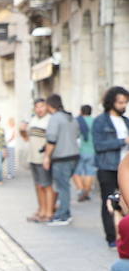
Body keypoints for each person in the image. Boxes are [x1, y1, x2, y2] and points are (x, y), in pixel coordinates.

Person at [93, 87, 129, 247]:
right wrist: (123, 141)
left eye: (125, 102)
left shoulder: (126, 121)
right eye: (120, 102)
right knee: (109, 203)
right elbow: (99, 145)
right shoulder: (100, 121)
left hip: (126, 169)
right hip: (108, 167)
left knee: (125, 202)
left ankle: (125, 237)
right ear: (111, 102)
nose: (123, 105)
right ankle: (112, 238)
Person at [43, 94, 79, 226]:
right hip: (74, 155)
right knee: (65, 186)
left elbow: (51, 139)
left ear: (49, 105)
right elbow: (77, 134)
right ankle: (65, 213)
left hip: (61, 157)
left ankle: (63, 215)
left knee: (62, 187)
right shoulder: (71, 118)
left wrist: (46, 157)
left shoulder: (55, 118)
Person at [28, 98, 54, 222]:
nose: (39, 109)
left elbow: (51, 141)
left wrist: (47, 157)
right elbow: (27, 137)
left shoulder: (50, 120)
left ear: (46, 107)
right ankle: (41, 210)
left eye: (42, 106)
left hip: (43, 158)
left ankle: (49, 212)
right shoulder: (33, 119)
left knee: (47, 185)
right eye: (37, 107)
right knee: (38, 186)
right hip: (33, 157)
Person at [75, 104, 98, 201]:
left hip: (79, 150)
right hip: (92, 150)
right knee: (89, 172)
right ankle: (86, 192)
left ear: (81, 111)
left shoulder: (77, 121)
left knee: (76, 172)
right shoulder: (95, 121)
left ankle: (81, 190)